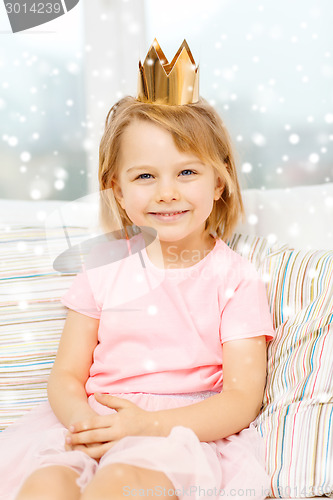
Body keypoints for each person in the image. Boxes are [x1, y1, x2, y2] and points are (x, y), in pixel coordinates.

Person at [0, 40, 275, 500]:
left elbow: (240, 400)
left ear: (220, 181)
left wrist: (146, 425)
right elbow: (66, 375)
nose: (167, 192)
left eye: (187, 173)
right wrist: (86, 424)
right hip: (94, 421)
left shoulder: (237, 280)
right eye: (146, 176)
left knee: (120, 486)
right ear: (118, 190)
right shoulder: (103, 268)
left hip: (176, 434)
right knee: (45, 485)